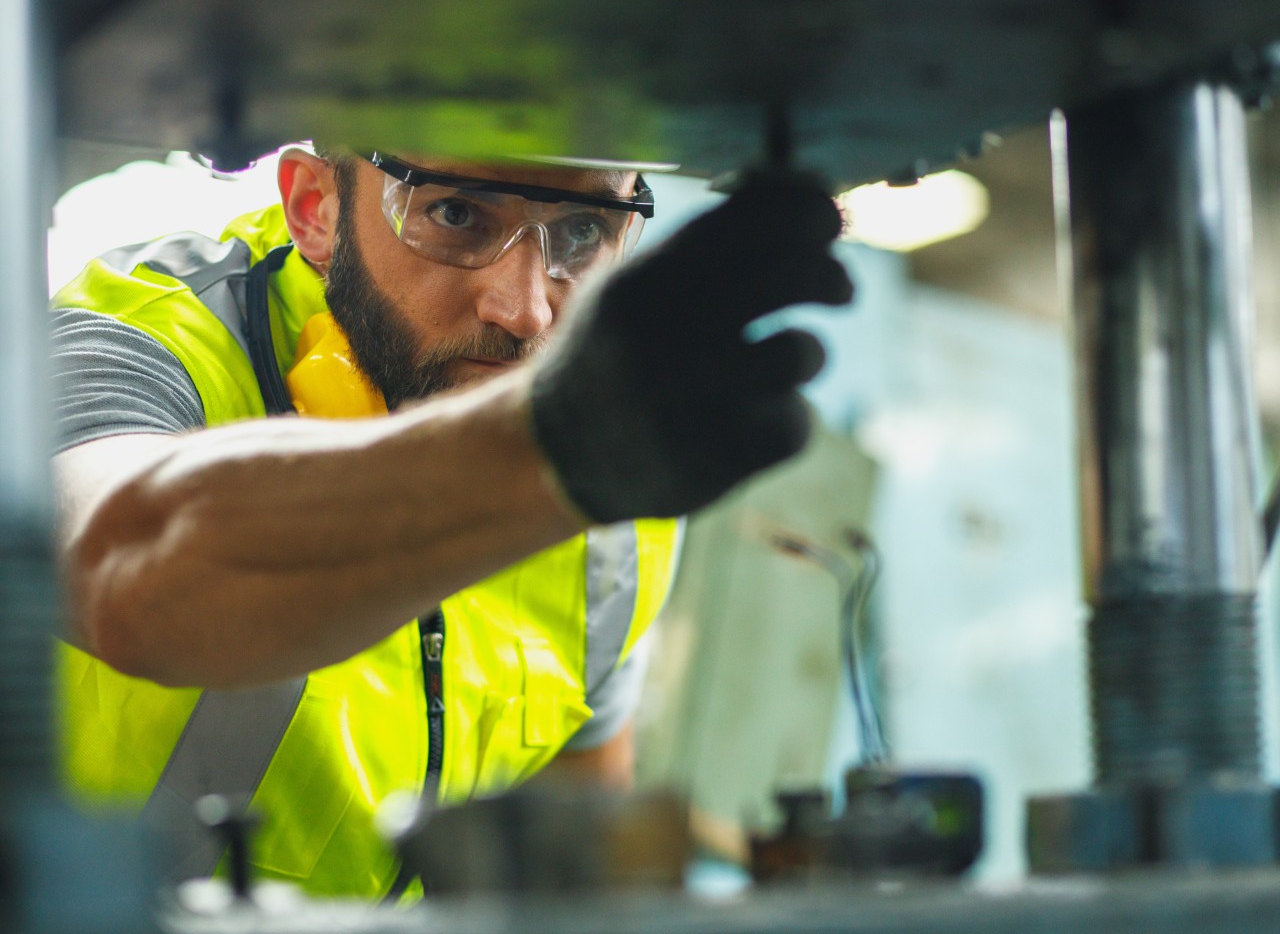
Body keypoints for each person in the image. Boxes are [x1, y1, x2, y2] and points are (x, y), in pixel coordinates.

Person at [49, 144, 851, 899]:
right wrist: (545, 447)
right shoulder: (141, 340)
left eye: (582, 232)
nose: (526, 310)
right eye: (457, 215)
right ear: (315, 207)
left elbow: (577, 857)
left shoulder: (614, 510)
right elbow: (120, 564)